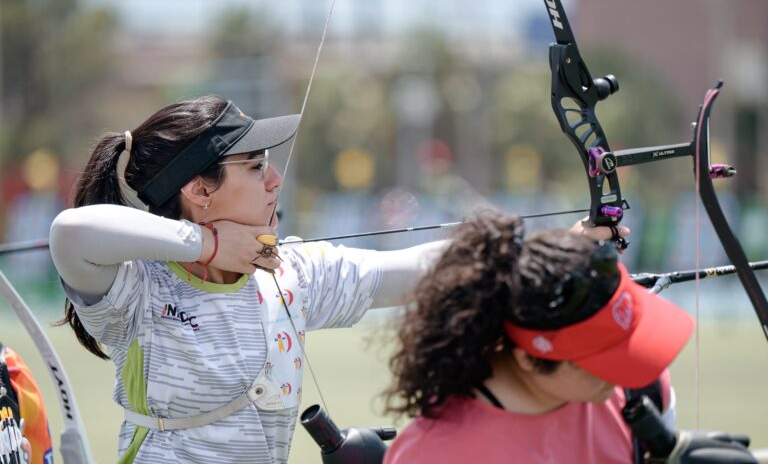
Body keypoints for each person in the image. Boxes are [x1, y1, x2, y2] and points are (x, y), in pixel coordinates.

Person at [48, 96, 624, 464]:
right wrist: (212, 244)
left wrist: (552, 246)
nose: (275, 179)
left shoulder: (289, 272)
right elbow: (71, 233)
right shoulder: (138, 290)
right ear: (199, 191)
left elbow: (406, 274)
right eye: (253, 167)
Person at [383, 211, 694, 464]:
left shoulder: (642, 391)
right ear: (529, 358)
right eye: (602, 357)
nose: (630, 364)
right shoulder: (434, 455)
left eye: (626, 337)